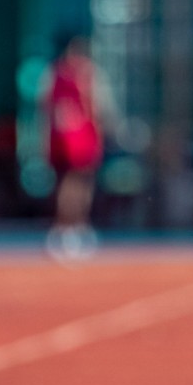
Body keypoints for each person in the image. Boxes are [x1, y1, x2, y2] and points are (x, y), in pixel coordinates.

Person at [40, 35, 114, 251]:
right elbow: (100, 107)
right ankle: (73, 227)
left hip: (59, 139)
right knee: (78, 186)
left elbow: (45, 109)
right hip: (81, 138)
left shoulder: (53, 73)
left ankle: (66, 228)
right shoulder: (87, 74)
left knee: (65, 184)